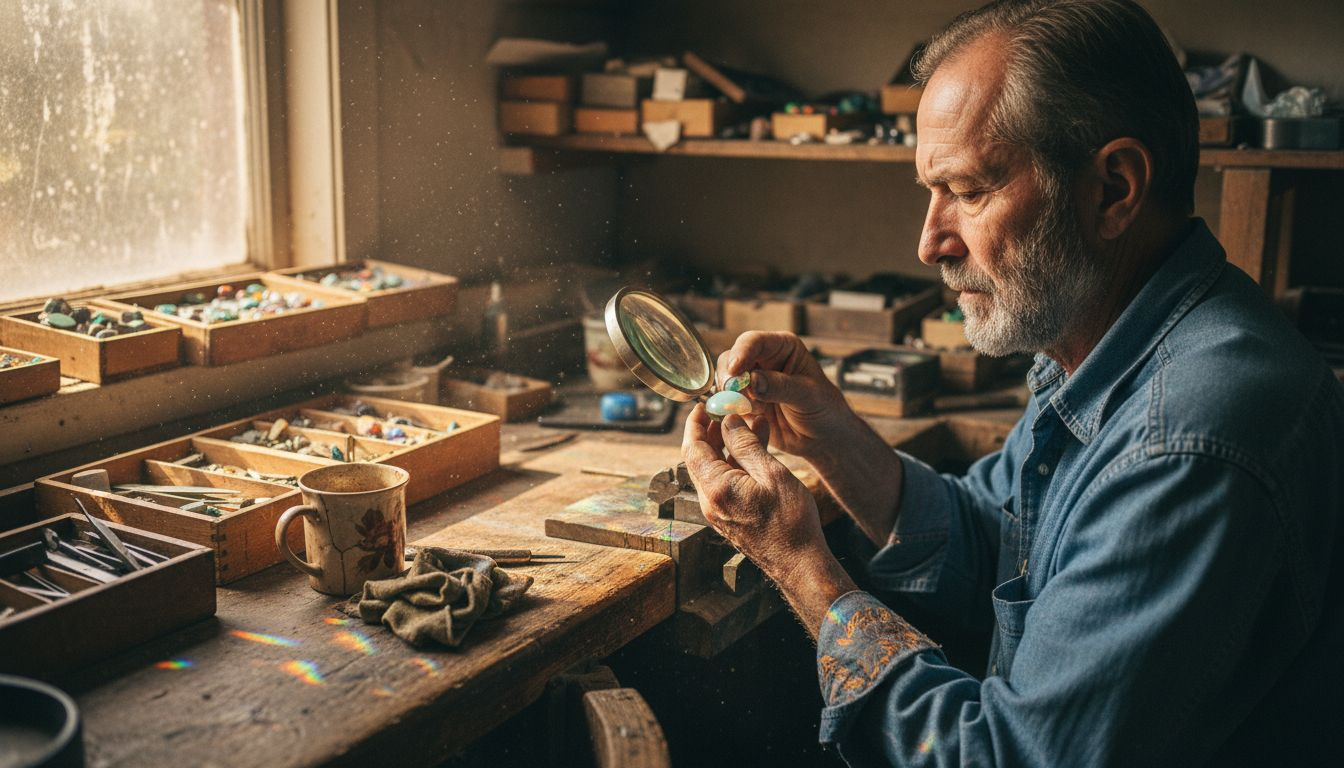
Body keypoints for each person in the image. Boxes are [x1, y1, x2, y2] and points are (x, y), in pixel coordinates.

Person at [680, 0, 1344, 764]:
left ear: (1113, 189)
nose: (929, 243)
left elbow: (1005, 757)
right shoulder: (1102, 348)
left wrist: (798, 562)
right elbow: (996, 543)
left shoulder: (1187, 442)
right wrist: (834, 439)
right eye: (931, 192)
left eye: (967, 191)